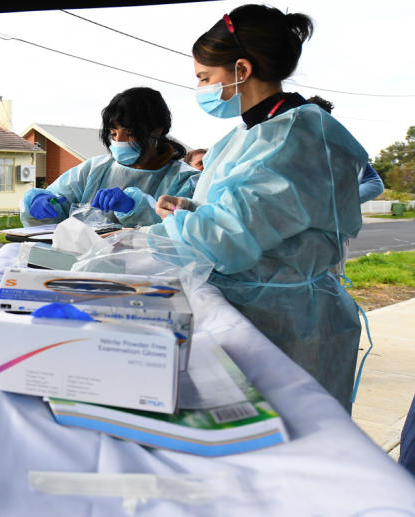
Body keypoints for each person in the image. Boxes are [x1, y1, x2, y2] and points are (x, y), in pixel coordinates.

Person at [151, 5, 368, 411]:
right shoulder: (258, 132)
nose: (201, 88)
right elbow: (251, 213)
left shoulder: (291, 138)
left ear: (241, 69)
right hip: (267, 315)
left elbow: (228, 242)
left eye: (205, 78)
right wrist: (192, 207)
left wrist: (178, 219)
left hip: (284, 327)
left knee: (285, 449)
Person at [19, 87, 198, 228]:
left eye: (129, 133)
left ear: (157, 130)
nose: (118, 141)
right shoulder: (93, 169)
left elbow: (184, 226)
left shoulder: (186, 180)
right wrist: (39, 202)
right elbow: (60, 202)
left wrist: (136, 207)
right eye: (113, 133)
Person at [306, 95, 385, 203]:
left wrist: (341, 202)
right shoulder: (299, 140)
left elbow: (375, 183)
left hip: (366, 185)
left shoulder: (339, 142)